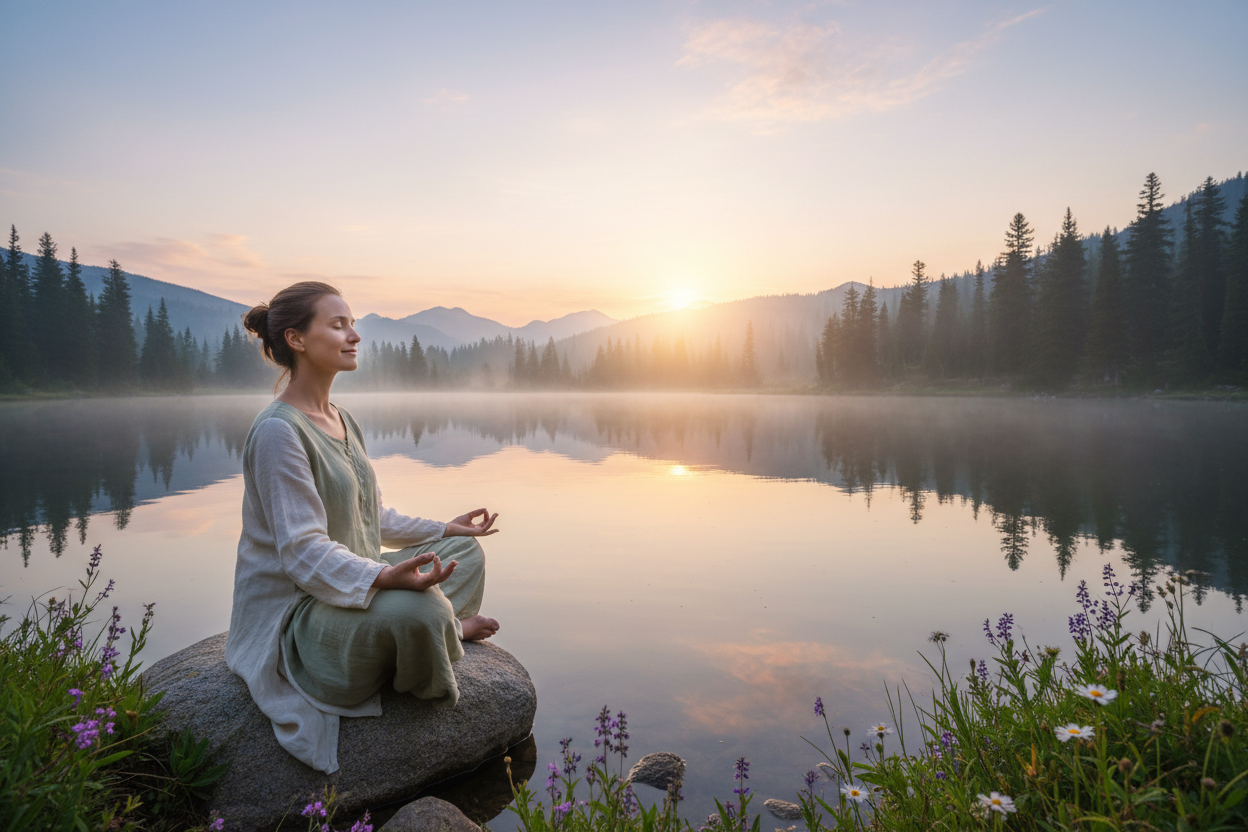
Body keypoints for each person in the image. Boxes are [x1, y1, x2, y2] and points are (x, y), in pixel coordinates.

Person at [225, 281, 499, 774]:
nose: (354, 336)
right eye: (338, 324)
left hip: (351, 580)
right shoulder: (278, 432)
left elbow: (372, 517)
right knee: (420, 610)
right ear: (297, 339)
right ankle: (443, 630)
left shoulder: (342, 419)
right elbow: (302, 552)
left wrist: (448, 526)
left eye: (352, 324)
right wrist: (385, 578)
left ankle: (430, 630)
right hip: (301, 611)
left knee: (465, 553)